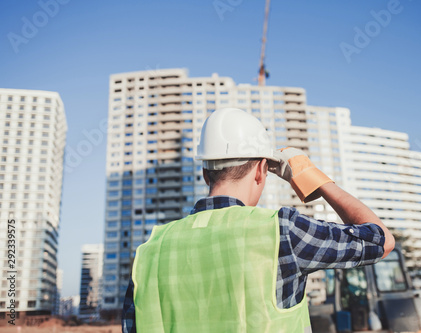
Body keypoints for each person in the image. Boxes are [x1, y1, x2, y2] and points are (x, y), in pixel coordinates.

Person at [122, 108, 395, 333]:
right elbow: (380, 239)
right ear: (262, 171)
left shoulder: (150, 252)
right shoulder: (282, 232)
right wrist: (314, 178)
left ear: (206, 174)